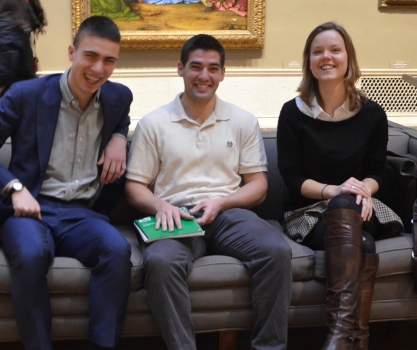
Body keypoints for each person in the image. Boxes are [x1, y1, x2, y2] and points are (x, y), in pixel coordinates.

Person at [0, 16, 133, 350]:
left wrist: (120, 137)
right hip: (32, 209)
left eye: (109, 60)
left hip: (82, 213)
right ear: (72, 52)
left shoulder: (118, 97)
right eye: (90, 56)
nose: (98, 69)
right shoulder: (27, 94)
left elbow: (121, 119)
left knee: (117, 249)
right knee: (32, 252)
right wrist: (14, 188)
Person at [125, 34, 292, 350]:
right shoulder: (154, 123)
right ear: (180, 69)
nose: (204, 76)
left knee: (277, 251)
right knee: (160, 263)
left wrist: (222, 202)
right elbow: (134, 188)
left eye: (213, 68)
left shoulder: (242, 120)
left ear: (223, 73)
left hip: (228, 211)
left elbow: (258, 185)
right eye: (196, 67)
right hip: (176, 216)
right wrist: (161, 207)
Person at [277, 22, 403, 350]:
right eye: (317, 51)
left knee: (347, 207)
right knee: (364, 245)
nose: (326, 57)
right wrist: (332, 191)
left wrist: (363, 190)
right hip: (309, 211)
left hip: (363, 204)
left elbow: (378, 172)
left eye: (335, 50)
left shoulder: (373, 113)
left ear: (349, 58)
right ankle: (353, 339)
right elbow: (290, 177)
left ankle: (337, 336)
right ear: (309, 61)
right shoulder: (292, 113)